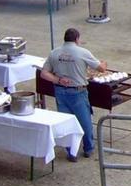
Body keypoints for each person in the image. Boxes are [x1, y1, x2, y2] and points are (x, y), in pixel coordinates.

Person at [40, 27, 107, 161]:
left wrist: (58, 79)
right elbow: (100, 68)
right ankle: (88, 148)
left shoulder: (55, 53)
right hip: (78, 91)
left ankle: (71, 150)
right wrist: (104, 63)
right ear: (77, 39)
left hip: (60, 91)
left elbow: (44, 73)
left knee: (66, 121)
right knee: (85, 120)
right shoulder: (82, 52)